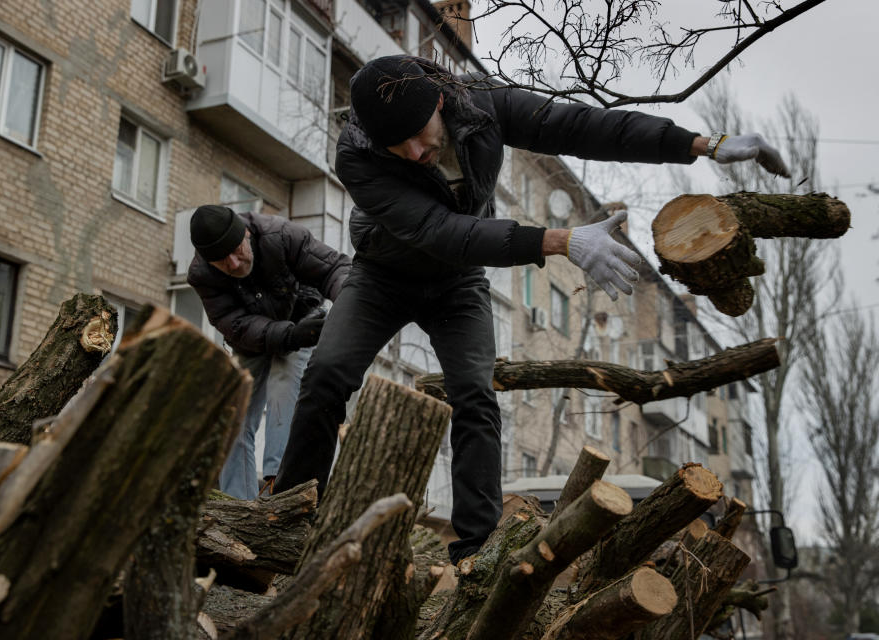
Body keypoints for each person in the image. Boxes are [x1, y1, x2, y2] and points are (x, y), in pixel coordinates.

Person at [272, 55, 790, 562]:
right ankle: (288, 521)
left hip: (456, 284)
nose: (412, 151)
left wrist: (700, 145)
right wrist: (561, 240)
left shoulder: (483, 105)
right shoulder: (356, 154)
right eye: (395, 143)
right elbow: (440, 232)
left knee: (475, 395)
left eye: (418, 132)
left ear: (439, 99)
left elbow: (581, 126)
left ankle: (476, 550)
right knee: (326, 375)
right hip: (382, 275)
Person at [188, 204, 351, 500]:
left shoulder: (281, 234)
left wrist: (345, 311)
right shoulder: (202, 275)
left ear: (246, 234)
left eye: (238, 251)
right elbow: (233, 323)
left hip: (302, 320)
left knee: (284, 388)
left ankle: (276, 490)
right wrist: (286, 335)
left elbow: (336, 269)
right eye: (222, 263)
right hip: (251, 341)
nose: (235, 264)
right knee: (233, 415)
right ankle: (239, 505)